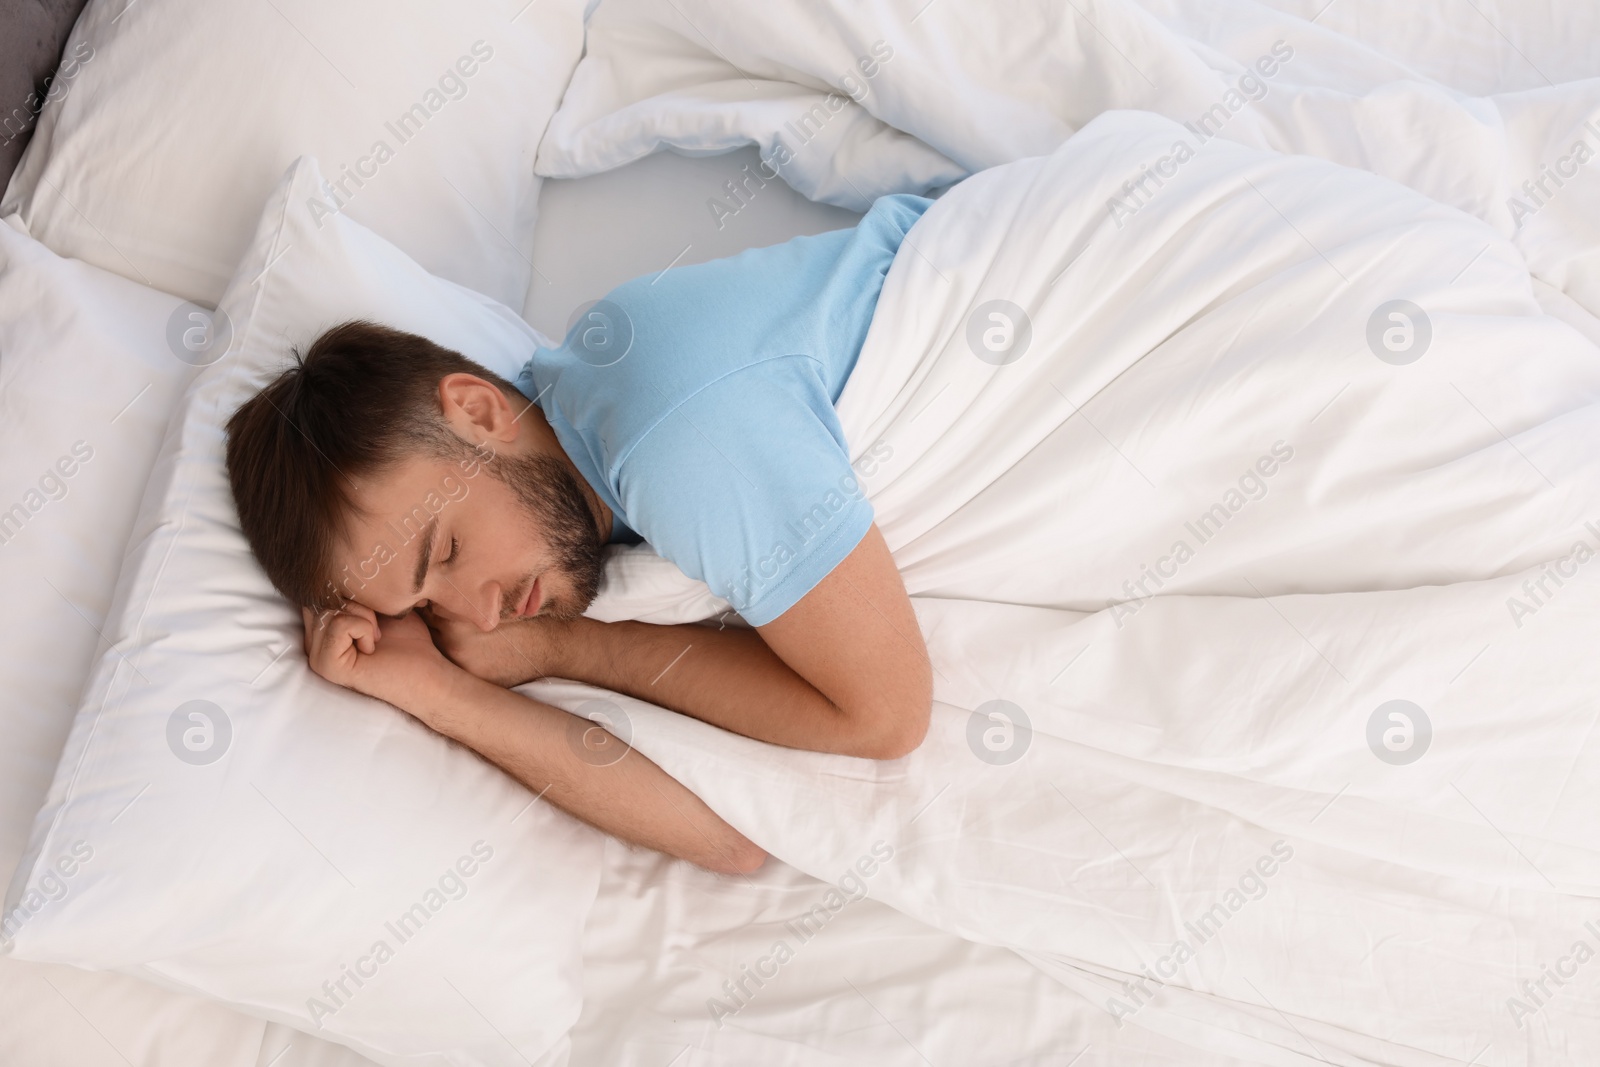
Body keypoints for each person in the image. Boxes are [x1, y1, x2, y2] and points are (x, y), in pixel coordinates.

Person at [224, 194, 936, 875]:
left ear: (476, 410)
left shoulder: (665, 432)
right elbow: (726, 839)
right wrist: (435, 690)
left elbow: (887, 717)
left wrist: (568, 649)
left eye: (444, 551)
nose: (478, 613)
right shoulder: (557, 537)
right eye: (421, 603)